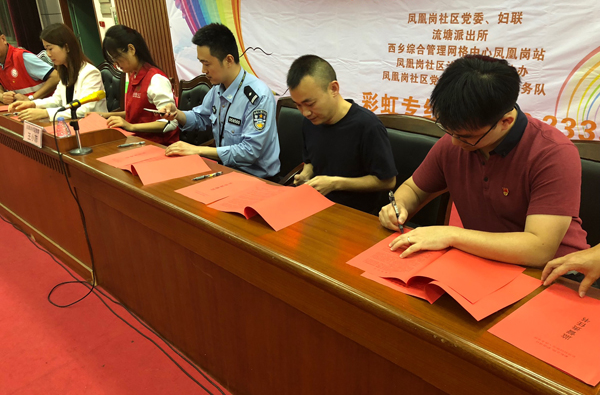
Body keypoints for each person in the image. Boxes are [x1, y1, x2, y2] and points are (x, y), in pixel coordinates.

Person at [379, 55, 589, 268]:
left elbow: (538, 249)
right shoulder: (454, 142)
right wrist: (398, 207)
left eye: (466, 136)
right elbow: (414, 190)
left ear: (505, 121)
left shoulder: (552, 153)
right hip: (482, 261)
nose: (454, 142)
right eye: (449, 131)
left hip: (554, 271)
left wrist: (452, 235)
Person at [162, 23, 280, 180]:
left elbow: (250, 151)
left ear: (228, 60)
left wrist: (197, 150)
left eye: (207, 64)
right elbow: (201, 118)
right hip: (225, 171)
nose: (203, 70)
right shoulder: (217, 89)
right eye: (201, 63)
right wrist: (177, 114)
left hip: (258, 179)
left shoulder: (258, 96)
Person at [287, 55, 397, 215]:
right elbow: (310, 161)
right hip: (315, 205)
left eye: (310, 104)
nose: (305, 112)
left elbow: (387, 181)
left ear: (333, 89)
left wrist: (335, 183)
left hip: (354, 213)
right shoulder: (310, 121)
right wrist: (306, 174)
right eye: (298, 105)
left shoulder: (367, 125)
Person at [97, 25, 178, 145]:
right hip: (137, 141)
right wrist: (105, 115)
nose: (116, 64)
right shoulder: (133, 75)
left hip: (159, 145)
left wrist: (131, 127)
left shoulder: (156, 79)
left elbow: (170, 123)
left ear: (131, 49)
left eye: (117, 58)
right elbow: (136, 114)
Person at [9, 23, 107, 121]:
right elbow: (57, 100)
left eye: (50, 49)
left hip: (94, 126)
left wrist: (45, 113)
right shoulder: (66, 71)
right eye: (46, 49)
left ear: (67, 47)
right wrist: (32, 104)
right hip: (72, 123)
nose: (48, 54)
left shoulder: (90, 73)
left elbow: (84, 110)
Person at [0, 29, 60, 104]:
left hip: (45, 107)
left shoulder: (23, 57)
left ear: (3, 39)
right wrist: (2, 97)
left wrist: (31, 98)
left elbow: (56, 77)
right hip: (20, 108)